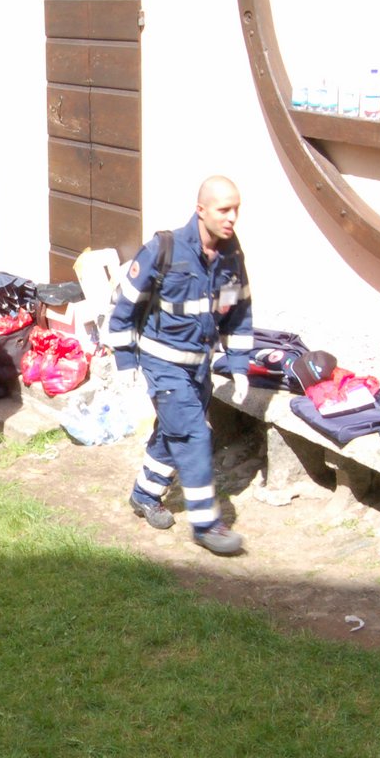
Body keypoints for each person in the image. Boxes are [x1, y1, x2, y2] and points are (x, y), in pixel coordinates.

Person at [104, 176, 254, 556]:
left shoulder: (231, 259)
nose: (232, 217)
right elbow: (124, 310)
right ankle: (207, 525)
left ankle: (144, 494)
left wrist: (238, 365)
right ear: (201, 210)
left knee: (173, 434)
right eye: (224, 209)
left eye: (236, 208)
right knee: (194, 435)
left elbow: (237, 315)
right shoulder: (164, 249)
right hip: (163, 365)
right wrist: (124, 364)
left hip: (198, 369)